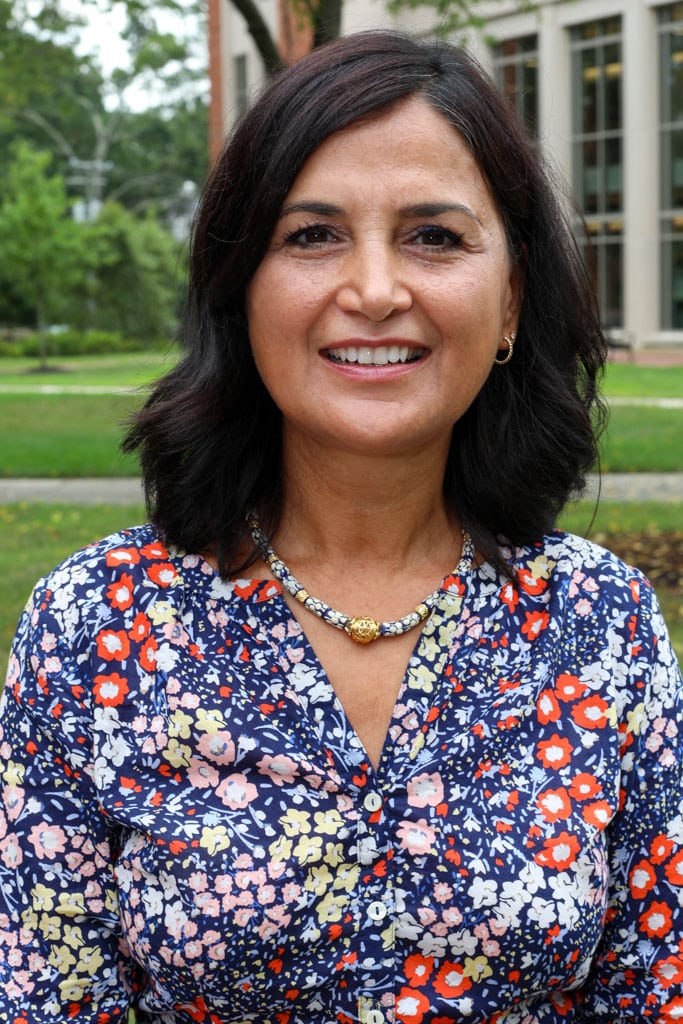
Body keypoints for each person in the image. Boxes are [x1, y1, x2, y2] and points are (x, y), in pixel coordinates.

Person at [0, 29, 681, 1024]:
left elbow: (655, 990)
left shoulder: (600, 621)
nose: (372, 291)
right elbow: (46, 996)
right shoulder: (93, 622)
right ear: (241, 285)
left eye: (433, 237)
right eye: (312, 235)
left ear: (509, 301)